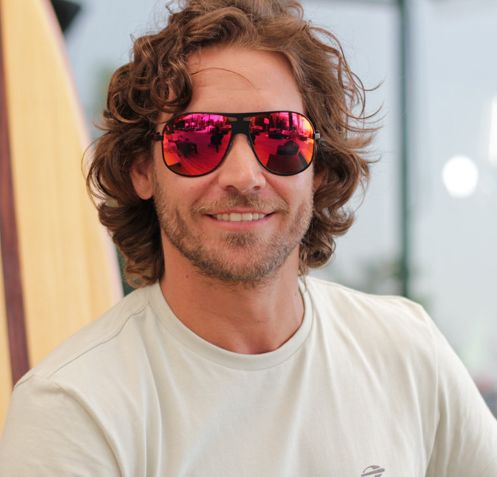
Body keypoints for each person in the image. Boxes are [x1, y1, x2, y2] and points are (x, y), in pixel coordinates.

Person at [1, 1, 496, 475]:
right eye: (196, 141)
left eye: (280, 138)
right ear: (142, 171)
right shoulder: (73, 409)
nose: (244, 176)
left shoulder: (406, 351)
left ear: (319, 169)